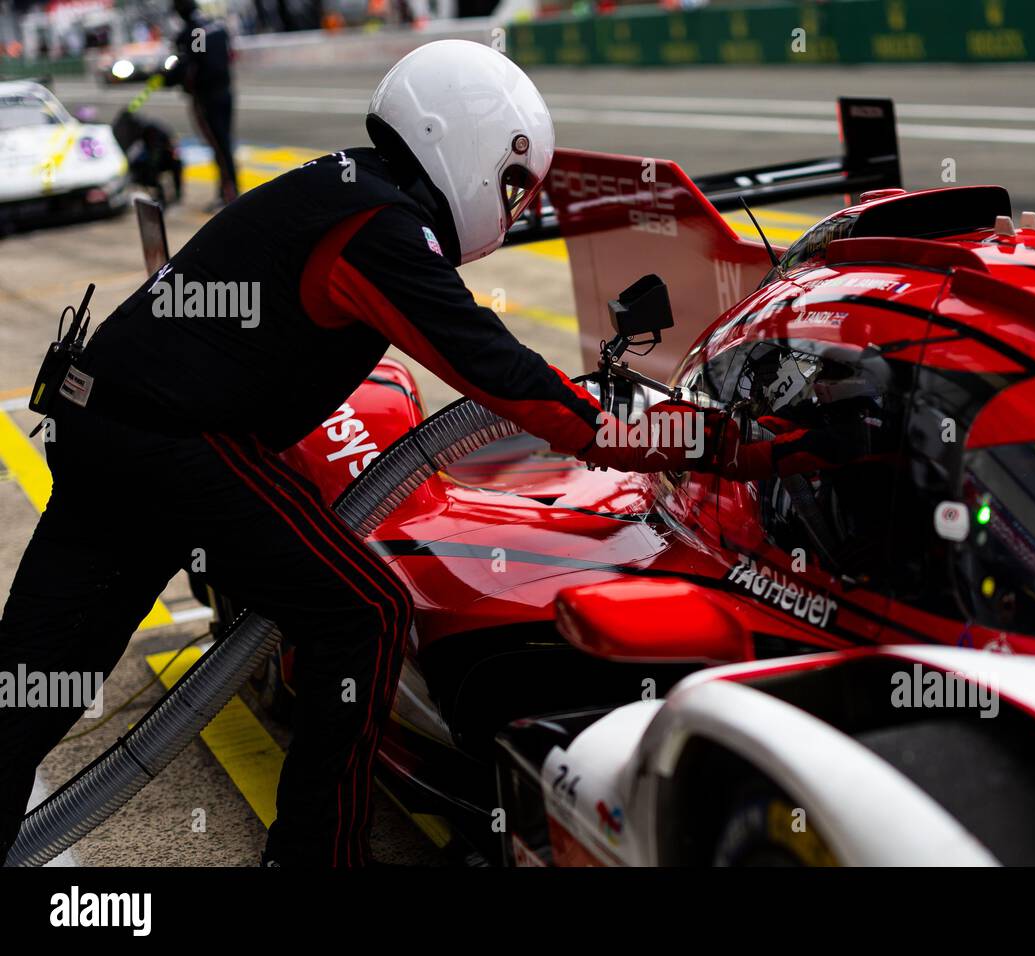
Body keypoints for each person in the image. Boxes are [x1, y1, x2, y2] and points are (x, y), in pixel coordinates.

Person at [0, 40, 726, 868]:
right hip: (167, 442)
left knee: (28, 691)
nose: (513, 203)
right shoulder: (378, 225)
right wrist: (702, 439)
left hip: (107, 423)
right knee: (364, 610)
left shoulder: (346, 188)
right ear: (463, 141)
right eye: (513, 180)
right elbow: (500, 373)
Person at [166, 0, 237, 209]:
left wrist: (168, 78)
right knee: (224, 144)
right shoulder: (217, 26)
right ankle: (228, 190)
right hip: (225, 92)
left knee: (220, 147)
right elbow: (228, 56)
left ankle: (229, 194)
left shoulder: (193, 33)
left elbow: (193, 63)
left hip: (207, 98)